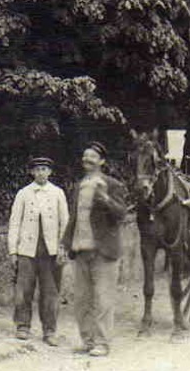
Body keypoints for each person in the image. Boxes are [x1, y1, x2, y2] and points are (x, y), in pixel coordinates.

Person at [61, 141, 130, 357]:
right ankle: (88, 341)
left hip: (103, 252)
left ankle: (102, 342)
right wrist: (65, 244)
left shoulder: (113, 185)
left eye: (92, 157)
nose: (87, 160)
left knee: (102, 299)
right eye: (85, 156)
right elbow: (73, 218)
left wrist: (106, 199)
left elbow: (122, 215)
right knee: (82, 300)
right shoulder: (79, 186)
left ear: (102, 161)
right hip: (80, 250)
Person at [7, 155, 69, 344]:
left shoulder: (57, 193)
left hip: (50, 251)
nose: (41, 173)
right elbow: (15, 223)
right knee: (24, 289)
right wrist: (13, 251)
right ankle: (23, 326)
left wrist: (63, 247)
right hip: (27, 249)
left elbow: (65, 222)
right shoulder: (24, 194)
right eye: (37, 169)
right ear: (32, 172)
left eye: (44, 169)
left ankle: (49, 330)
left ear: (50, 172)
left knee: (50, 292)